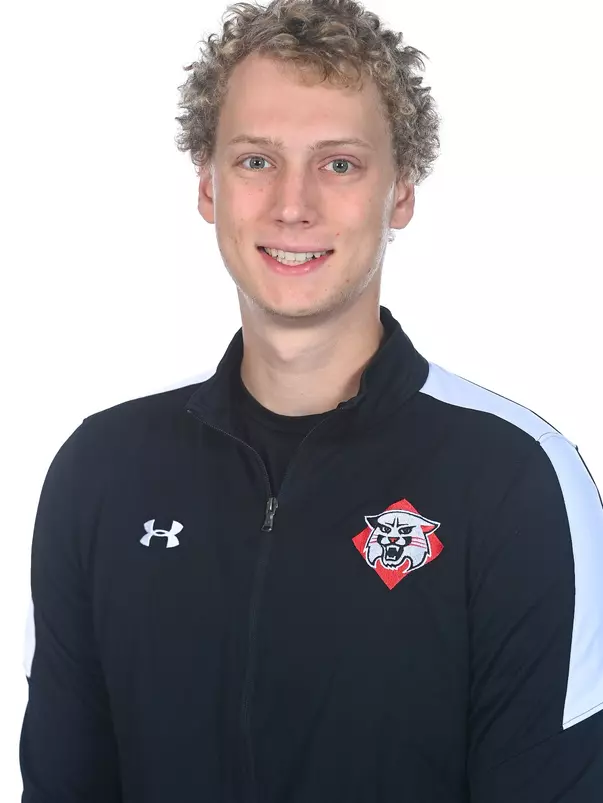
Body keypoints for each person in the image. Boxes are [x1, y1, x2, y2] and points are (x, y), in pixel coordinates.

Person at [19, 0, 603, 800]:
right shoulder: (102, 471)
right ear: (207, 186)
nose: (292, 205)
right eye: (256, 160)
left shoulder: (515, 479)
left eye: (339, 163)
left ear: (399, 193)